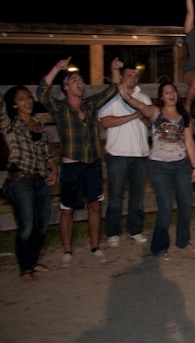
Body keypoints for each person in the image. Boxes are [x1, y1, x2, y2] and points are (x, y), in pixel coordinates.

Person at [38, 56, 122, 266]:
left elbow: (112, 90)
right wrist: (57, 67)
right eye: (75, 80)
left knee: (95, 205)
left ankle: (95, 247)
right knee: (67, 208)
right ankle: (67, 250)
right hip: (71, 165)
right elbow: (41, 92)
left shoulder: (90, 105)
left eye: (81, 80)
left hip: (92, 163)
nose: (80, 82)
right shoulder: (60, 108)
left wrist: (114, 68)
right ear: (66, 87)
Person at [120, 79, 195, 261]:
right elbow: (141, 106)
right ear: (161, 97)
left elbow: (189, 142)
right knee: (165, 207)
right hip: (159, 166)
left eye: (173, 91)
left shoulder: (183, 115)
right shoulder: (156, 113)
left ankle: (183, 240)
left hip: (181, 165)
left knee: (186, 204)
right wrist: (127, 97)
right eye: (166, 92)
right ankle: (160, 246)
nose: (171, 94)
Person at [1, 86, 57, 281]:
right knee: (27, 227)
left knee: (42, 225)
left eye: (29, 97)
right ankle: (25, 268)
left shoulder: (39, 125)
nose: (27, 101)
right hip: (20, 181)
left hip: (40, 180)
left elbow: (46, 153)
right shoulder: (9, 125)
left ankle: (33, 261)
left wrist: (54, 169)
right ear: (14, 104)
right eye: (22, 99)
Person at [98, 62, 151, 248]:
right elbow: (106, 122)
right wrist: (133, 115)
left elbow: (150, 122)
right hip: (117, 153)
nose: (132, 78)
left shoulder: (143, 97)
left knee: (137, 197)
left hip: (140, 154)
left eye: (135, 76)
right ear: (121, 76)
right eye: (129, 75)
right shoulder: (111, 97)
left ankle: (135, 230)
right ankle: (113, 232)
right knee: (115, 196)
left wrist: (141, 113)